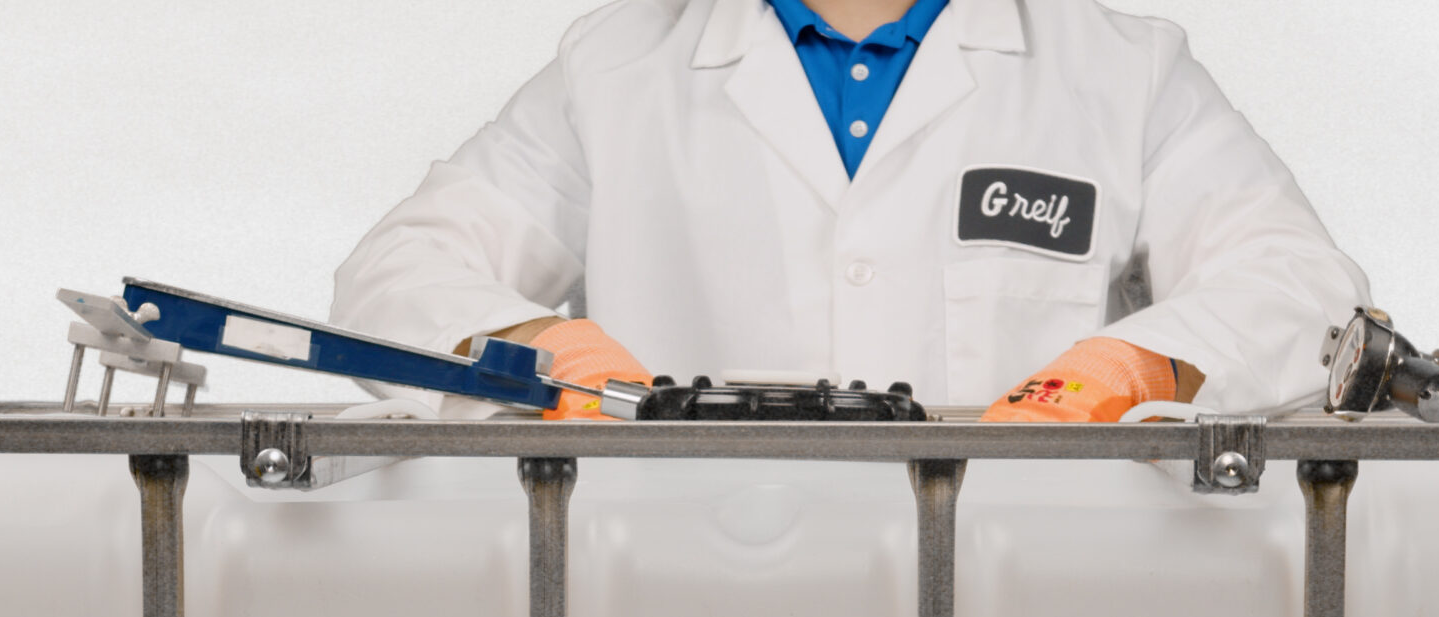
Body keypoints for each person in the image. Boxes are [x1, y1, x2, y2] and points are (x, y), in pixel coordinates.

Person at [330, 0, 1368, 421]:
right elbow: (398, 272)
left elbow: (1297, 284)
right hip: (677, 601)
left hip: (1016, 598)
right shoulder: (615, 68)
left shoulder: (1120, 68)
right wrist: (535, 345)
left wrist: (1134, 367)